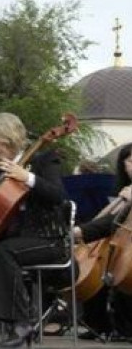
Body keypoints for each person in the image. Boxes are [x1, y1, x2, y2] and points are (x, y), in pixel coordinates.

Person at [0, 113, 68, 347]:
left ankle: (22, 324)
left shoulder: (45, 159)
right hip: (19, 238)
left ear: (11, 138)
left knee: (4, 252)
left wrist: (27, 177)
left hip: (49, 239)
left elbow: (58, 196)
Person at [72, 142, 132, 339]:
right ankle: (101, 324)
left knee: (118, 269)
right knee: (100, 265)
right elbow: (112, 221)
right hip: (125, 243)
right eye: (130, 162)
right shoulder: (124, 189)